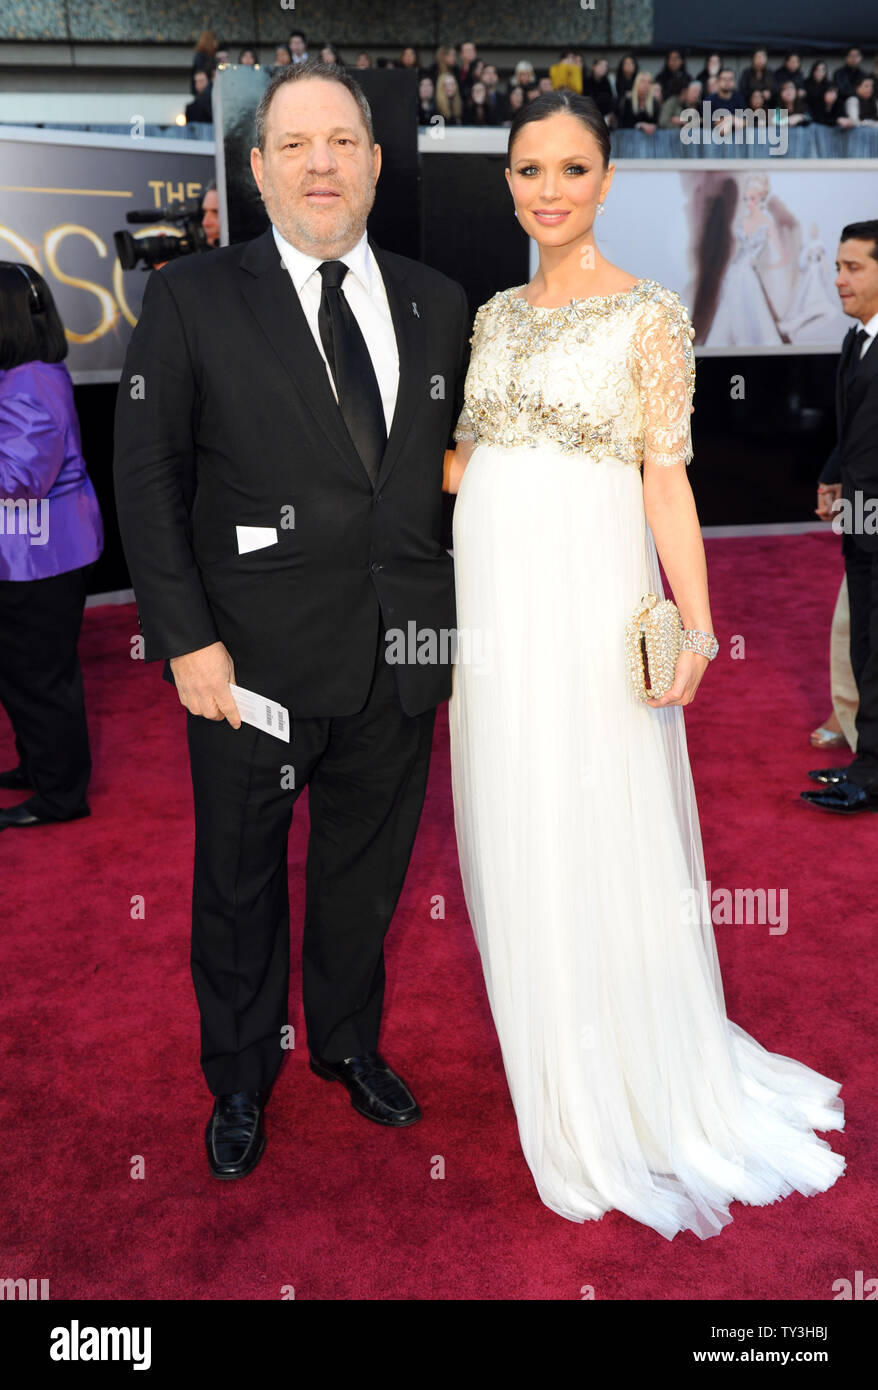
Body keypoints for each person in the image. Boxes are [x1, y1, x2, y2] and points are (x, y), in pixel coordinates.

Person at [441, 90, 845, 1238]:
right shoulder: (493, 315)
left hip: (586, 594)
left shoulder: (649, 315)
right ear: (508, 179)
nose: (548, 190)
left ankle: (627, 1068)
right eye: (528, 169)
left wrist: (698, 625)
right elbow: (467, 462)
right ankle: (552, 1040)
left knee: (596, 806)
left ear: (606, 181)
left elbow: (665, 479)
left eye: (571, 169)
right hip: (494, 605)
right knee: (516, 808)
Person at [113, 59, 471, 1179]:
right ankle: (237, 1078)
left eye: (341, 142)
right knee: (236, 882)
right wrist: (184, 640)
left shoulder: (440, 302)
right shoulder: (191, 299)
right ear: (258, 169)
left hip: (399, 658)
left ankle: (348, 1047)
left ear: (373, 160)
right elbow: (149, 477)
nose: (321, 162)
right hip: (246, 667)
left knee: (365, 878)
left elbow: (461, 478)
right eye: (294, 145)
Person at [0, 263, 103, 830]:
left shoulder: (32, 381)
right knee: (24, 674)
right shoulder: (28, 374)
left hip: (41, 557)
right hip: (33, 551)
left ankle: (61, 796)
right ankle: (39, 768)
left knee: (40, 678)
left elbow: (19, 480)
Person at [804, 222, 878, 813]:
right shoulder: (856, 340)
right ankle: (868, 760)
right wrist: (834, 478)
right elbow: (852, 430)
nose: (838, 279)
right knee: (865, 645)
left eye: (853, 268)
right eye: (837, 266)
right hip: (859, 520)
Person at [704, 174, 787, 346]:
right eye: (746, 199)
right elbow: (738, 251)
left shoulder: (767, 222)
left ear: (760, 199)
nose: (749, 203)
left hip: (749, 273)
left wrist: (764, 266)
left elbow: (782, 256)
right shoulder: (741, 221)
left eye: (753, 198)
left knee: (753, 310)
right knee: (730, 310)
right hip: (735, 270)